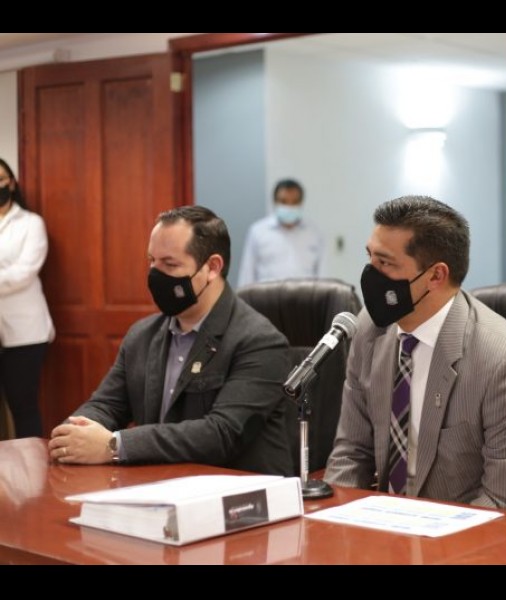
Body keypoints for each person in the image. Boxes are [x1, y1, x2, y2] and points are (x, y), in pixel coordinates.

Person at [324, 195, 506, 512]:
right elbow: (351, 453)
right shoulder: (369, 328)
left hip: (473, 529)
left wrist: (420, 538)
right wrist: (333, 522)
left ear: (435, 276)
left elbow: (503, 501)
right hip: (387, 525)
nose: (370, 274)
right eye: (369, 257)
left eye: (385, 263)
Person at [48, 206, 293, 475]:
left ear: (212, 267)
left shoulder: (259, 341)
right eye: (152, 261)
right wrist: (75, 433)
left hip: (236, 489)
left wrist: (114, 445)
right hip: (160, 483)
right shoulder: (142, 335)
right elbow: (107, 404)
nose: (155, 275)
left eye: (170, 264)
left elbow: (221, 433)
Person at [0, 159, 55, 439]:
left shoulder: (31, 223)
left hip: (25, 332)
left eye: (1, 179)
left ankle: (32, 464)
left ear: (12, 183)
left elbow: (24, 272)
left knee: (23, 405)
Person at [237, 179, 325, 287]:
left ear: (301, 203)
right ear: (275, 202)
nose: (289, 207)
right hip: (267, 296)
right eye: (284, 202)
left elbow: (322, 274)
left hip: (305, 296)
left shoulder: (313, 233)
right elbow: (247, 274)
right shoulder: (258, 232)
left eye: (294, 202)